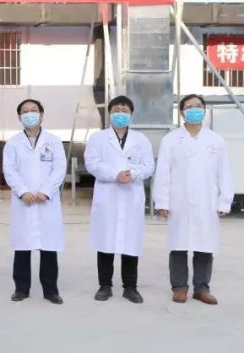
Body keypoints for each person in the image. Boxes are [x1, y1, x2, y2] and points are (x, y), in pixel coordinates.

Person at [152, 94, 233, 305]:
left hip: (207, 200)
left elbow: (224, 172)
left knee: (205, 244)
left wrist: (225, 200)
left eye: (198, 106)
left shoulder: (216, 140)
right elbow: (163, 173)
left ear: (204, 111)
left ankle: (201, 288)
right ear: (182, 112)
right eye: (189, 106)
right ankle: (179, 287)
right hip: (179, 200)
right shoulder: (171, 139)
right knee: (178, 244)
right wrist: (162, 201)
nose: (194, 109)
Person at [84, 96, 155, 304]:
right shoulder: (98, 138)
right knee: (105, 241)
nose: (120, 114)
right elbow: (92, 163)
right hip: (107, 194)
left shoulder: (141, 139)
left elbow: (149, 165)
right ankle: (104, 285)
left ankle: (130, 287)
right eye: (116, 110)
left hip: (131, 193)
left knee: (130, 242)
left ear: (131, 114)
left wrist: (132, 174)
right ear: (110, 113)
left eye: (124, 110)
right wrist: (115, 174)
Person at [2, 99, 66, 304]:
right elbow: (9, 170)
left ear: (41, 115)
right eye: (25, 111)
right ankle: (21, 289)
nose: (29, 114)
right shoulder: (13, 143)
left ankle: (51, 290)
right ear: (19, 116)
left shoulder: (53, 141)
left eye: (33, 110)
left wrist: (46, 191)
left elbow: (59, 169)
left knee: (49, 248)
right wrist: (22, 192)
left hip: (46, 201)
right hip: (24, 201)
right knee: (22, 247)